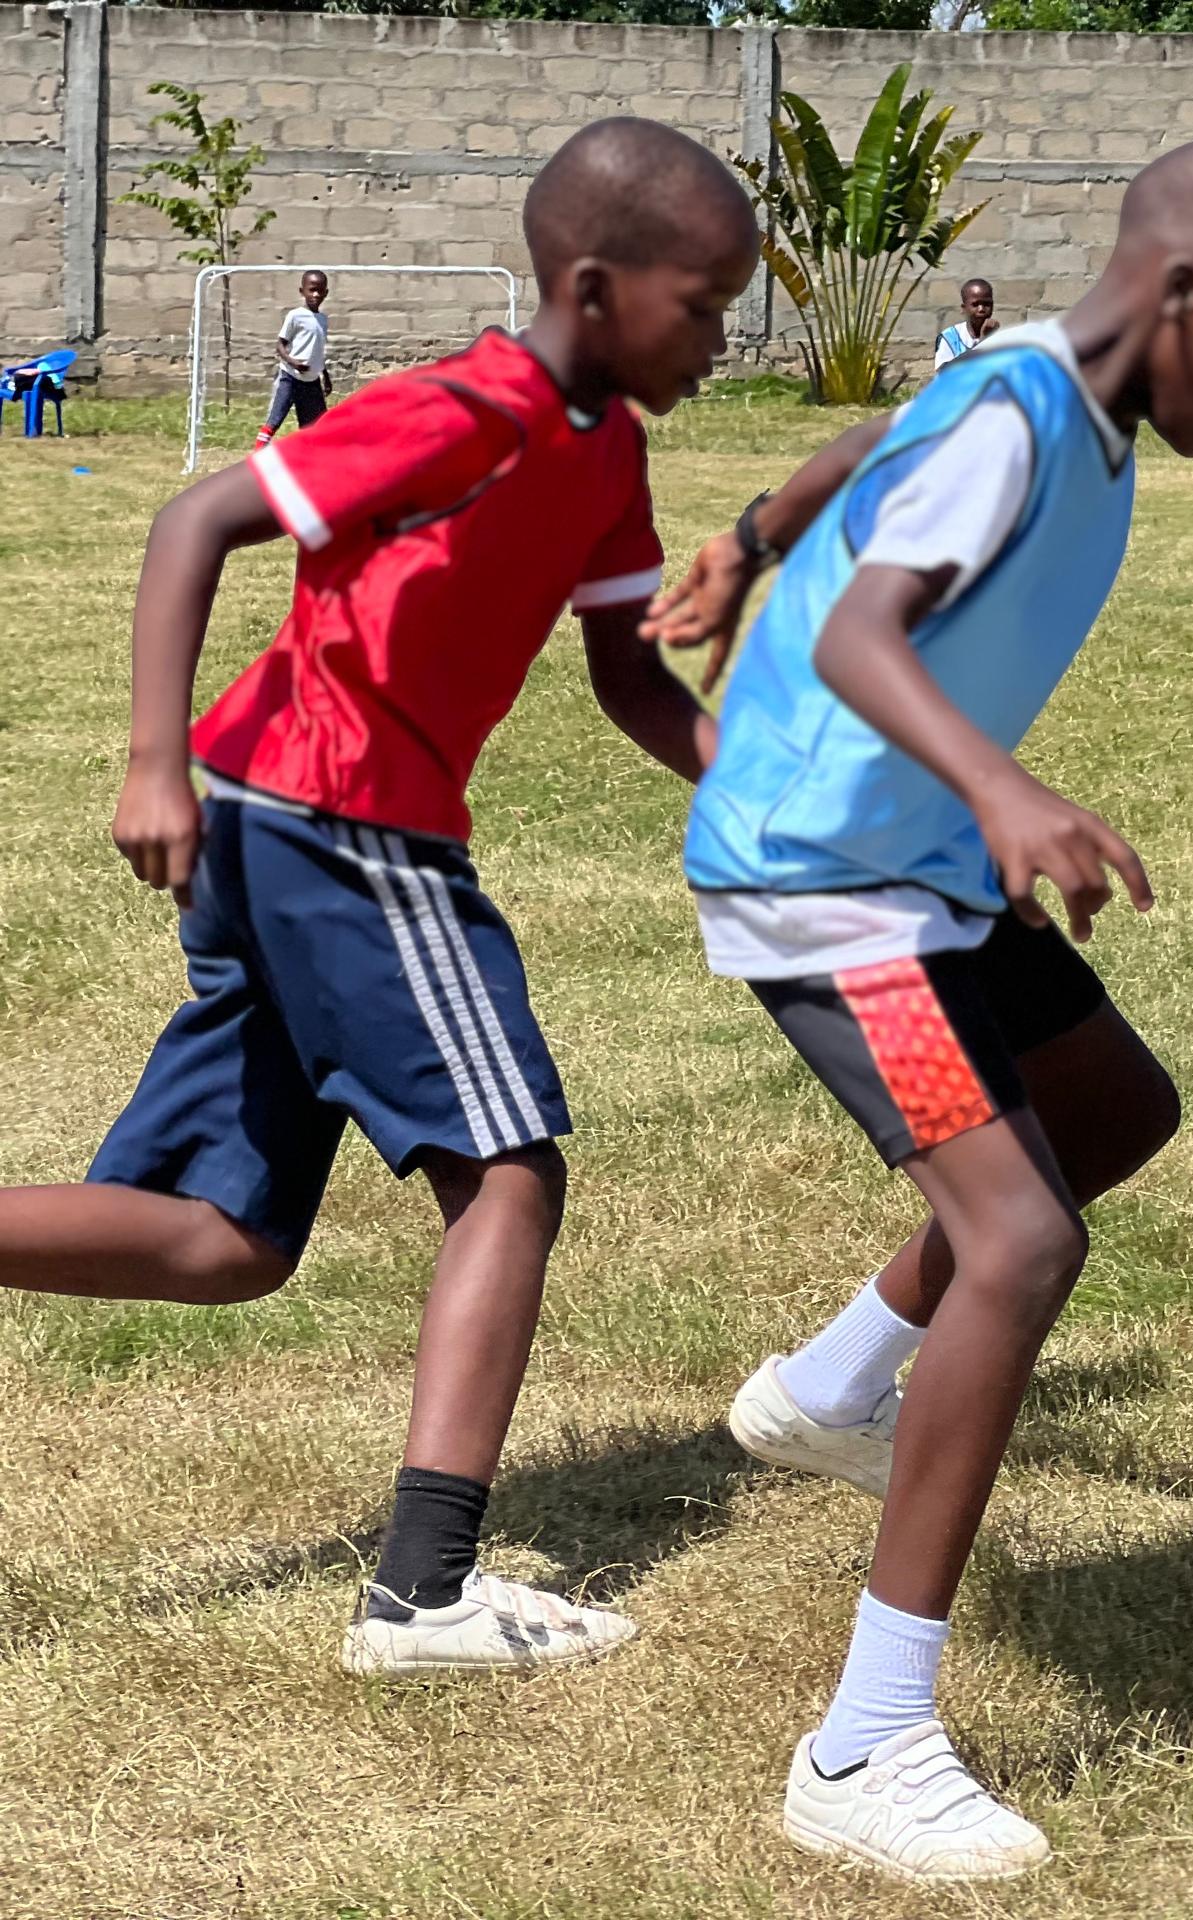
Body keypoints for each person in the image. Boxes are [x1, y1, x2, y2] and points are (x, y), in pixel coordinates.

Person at [643, 134, 1193, 1882]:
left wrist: (746, 536)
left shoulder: (1031, 384)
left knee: (1113, 1112)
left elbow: (870, 448)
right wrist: (1007, 786)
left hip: (920, 859)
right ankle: (864, 1743)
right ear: (1182, 295)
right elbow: (860, 640)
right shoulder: (1020, 418)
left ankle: (832, 1389)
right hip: (829, 886)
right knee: (1021, 1242)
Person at [0, 119, 757, 1670]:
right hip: (339, 819)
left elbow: (627, 676)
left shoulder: (609, 449)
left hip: (290, 823)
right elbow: (195, 519)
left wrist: (774, 792)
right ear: (596, 288)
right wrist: (151, 763)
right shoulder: (458, 411)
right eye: (702, 306)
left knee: (226, 1237)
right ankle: (422, 1595)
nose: (720, 340)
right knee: (508, 1175)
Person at [254, 269, 330, 450]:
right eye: (312, 290)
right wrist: (293, 362)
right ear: (302, 291)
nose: (316, 294)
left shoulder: (323, 319)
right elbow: (280, 345)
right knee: (275, 419)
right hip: (290, 377)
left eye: (320, 291)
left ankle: (309, 459)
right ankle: (257, 455)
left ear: (326, 293)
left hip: (311, 382)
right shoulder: (295, 316)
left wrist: (325, 376)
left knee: (316, 425)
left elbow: (318, 351)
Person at [934, 278, 999, 372]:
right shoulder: (949, 337)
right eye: (975, 304)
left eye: (987, 304)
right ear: (964, 308)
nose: (981, 309)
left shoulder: (1002, 338)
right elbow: (944, 372)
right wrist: (982, 342)